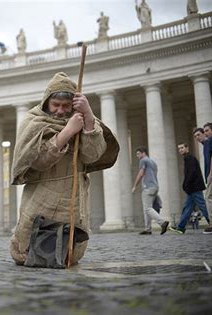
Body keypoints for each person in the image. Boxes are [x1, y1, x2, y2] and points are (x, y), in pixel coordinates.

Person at [10, 72, 119, 266]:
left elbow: (92, 155)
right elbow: (37, 160)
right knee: (29, 254)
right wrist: (67, 131)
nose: (60, 111)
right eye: (56, 105)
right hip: (41, 204)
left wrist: (88, 117)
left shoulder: (82, 121)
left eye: (65, 106)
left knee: (68, 256)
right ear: (46, 102)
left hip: (73, 206)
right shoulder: (34, 121)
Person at [169, 143, 210, 234]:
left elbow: (191, 172)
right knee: (187, 207)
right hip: (192, 187)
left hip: (194, 187)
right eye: (179, 148)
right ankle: (181, 227)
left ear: (187, 148)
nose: (180, 150)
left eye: (182, 148)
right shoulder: (188, 158)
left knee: (202, 206)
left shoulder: (189, 158)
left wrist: (185, 183)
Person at [131, 147, 169, 235]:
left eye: (138, 154)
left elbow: (141, 173)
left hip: (147, 187)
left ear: (143, 153)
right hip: (155, 186)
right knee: (147, 208)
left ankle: (162, 222)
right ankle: (148, 228)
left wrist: (134, 186)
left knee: (147, 208)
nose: (137, 156)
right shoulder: (153, 162)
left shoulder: (143, 160)